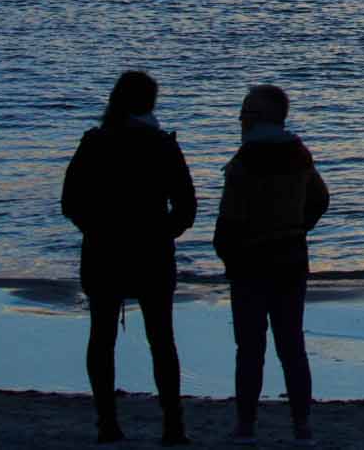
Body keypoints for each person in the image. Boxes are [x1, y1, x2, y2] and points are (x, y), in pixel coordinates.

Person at [62, 70, 199, 446]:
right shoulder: (161, 144)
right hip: (151, 254)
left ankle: (107, 423)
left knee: (102, 338)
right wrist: (162, 233)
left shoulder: (95, 142)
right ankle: (173, 426)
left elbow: (70, 202)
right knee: (161, 339)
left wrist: (96, 230)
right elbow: (187, 206)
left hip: (103, 252)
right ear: (151, 103)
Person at [212, 84, 331, 445]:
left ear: (261, 119)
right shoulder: (299, 154)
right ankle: (301, 425)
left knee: (251, 348)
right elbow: (320, 199)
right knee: (291, 345)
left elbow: (228, 219)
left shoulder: (245, 161)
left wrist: (228, 253)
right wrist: (298, 229)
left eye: (247, 113)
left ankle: (247, 425)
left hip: (252, 263)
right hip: (291, 260)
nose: (241, 119)